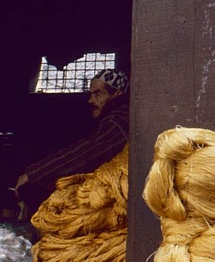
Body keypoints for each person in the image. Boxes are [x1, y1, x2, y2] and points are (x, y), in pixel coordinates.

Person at [13, 69, 129, 215]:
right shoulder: (118, 117)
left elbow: (86, 153)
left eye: (97, 94)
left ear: (117, 95)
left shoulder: (117, 121)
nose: (90, 100)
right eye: (91, 94)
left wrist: (33, 174)